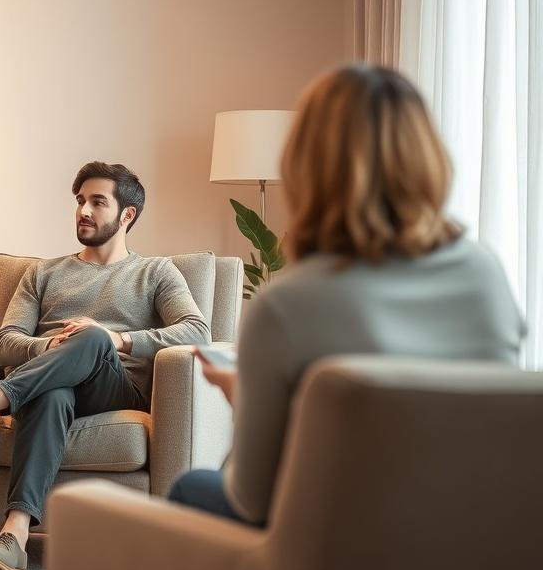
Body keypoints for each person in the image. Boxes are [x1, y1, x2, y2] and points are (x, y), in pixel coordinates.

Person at [168, 64, 527, 527]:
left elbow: (253, 499)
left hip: (345, 548)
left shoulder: (287, 305)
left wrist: (244, 396)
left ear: (305, 164)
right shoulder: (486, 273)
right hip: (471, 536)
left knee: (190, 487)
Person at [0, 161, 210, 570]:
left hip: (115, 386)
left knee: (93, 337)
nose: (84, 211)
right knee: (53, 392)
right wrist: (52, 346)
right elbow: (6, 342)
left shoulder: (156, 272)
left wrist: (116, 340)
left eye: (98, 202)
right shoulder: (42, 273)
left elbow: (198, 331)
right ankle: (14, 536)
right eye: (80, 201)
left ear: (126, 214)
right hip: (46, 387)